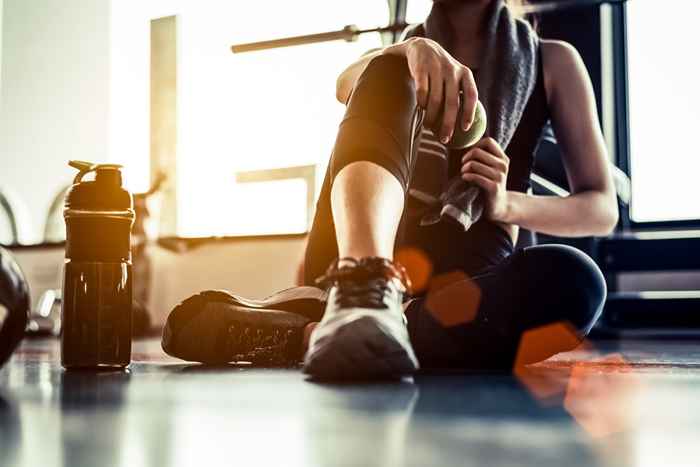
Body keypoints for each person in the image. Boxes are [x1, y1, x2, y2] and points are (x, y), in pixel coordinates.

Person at [162, 0, 617, 380]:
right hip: (356, 256)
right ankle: (364, 293)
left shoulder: (552, 59)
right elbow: (344, 84)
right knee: (386, 66)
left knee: (577, 283)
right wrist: (409, 50)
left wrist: (505, 202)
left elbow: (600, 207)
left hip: (465, 278)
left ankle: (314, 334)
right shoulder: (397, 57)